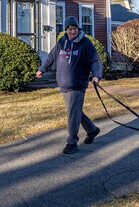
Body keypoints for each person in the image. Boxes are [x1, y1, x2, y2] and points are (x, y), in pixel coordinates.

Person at [36, 15, 103, 154]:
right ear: (66, 30)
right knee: (75, 112)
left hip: (78, 84)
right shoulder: (62, 42)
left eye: (75, 28)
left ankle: (72, 142)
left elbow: (95, 60)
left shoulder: (85, 43)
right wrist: (42, 69)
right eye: (70, 29)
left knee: (73, 113)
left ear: (78, 28)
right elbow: (51, 56)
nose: (73, 31)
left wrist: (97, 75)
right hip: (64, 84)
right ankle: (92, 130)